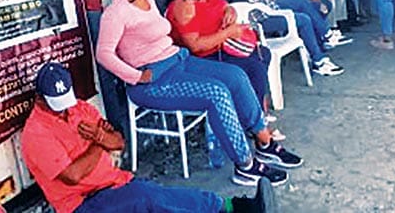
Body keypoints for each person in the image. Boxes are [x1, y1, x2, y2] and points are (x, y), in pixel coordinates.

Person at [96, 0, 302, 187]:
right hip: (151, 81)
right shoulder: (116, 13)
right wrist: (137, 76)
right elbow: (104, 54)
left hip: (176, 61)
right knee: (216, 93)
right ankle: (245, 165)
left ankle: (264, 143)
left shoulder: (149, 1)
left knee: (236, 76)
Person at [21, 62, 277, 213]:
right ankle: (234, 208)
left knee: (159, 195)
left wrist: (103, 138)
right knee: (150, 198)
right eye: (56, 103)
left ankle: (233, 207)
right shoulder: (36, 133)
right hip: (83, 203)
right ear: (39, 98)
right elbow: (73, 175)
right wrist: (100, 141)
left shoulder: (79, 107)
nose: (64, 107)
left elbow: (119, 141)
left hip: (115, 182)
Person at [165, 0, 284, 141]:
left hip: (221, 48)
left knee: (262, 55)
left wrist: (231, 11)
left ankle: (255, 113)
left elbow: (225, 6)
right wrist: (228, 33)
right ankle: (256, 122)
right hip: (202, 58)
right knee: (252, 67)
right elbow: (194, 45)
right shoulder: (183, 5)